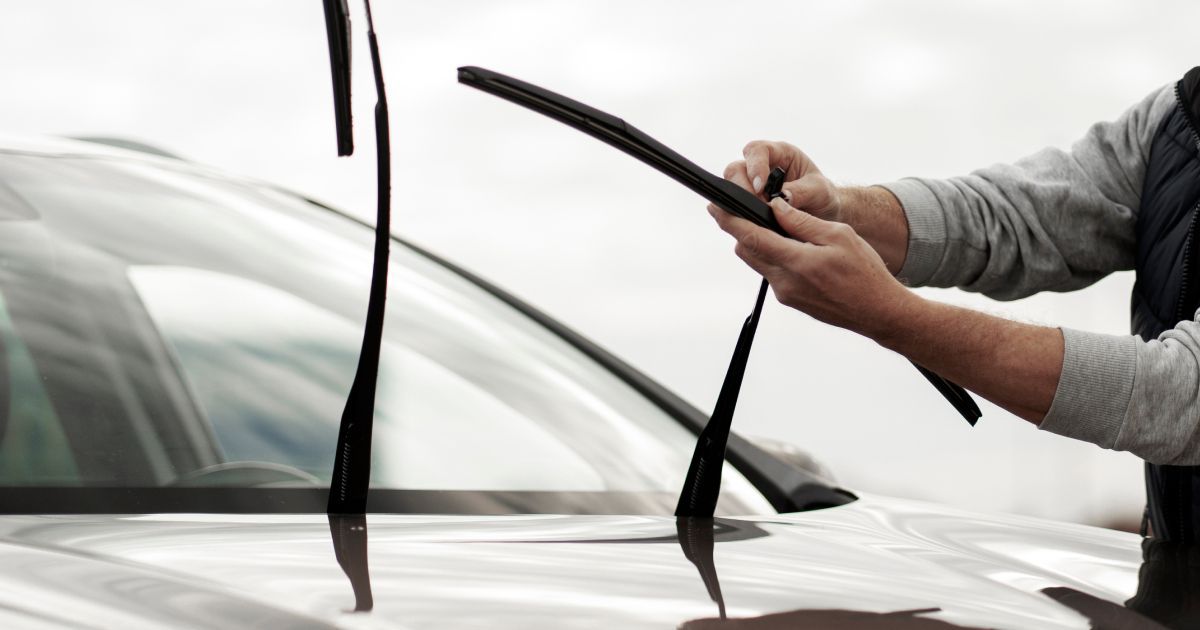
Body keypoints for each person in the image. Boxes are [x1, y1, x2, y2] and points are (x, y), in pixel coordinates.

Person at [708, 66, 1200, 540]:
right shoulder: (1179, 117)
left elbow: (1183, 392)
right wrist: (840, 209)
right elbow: (1014, 217)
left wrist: (890, 315)